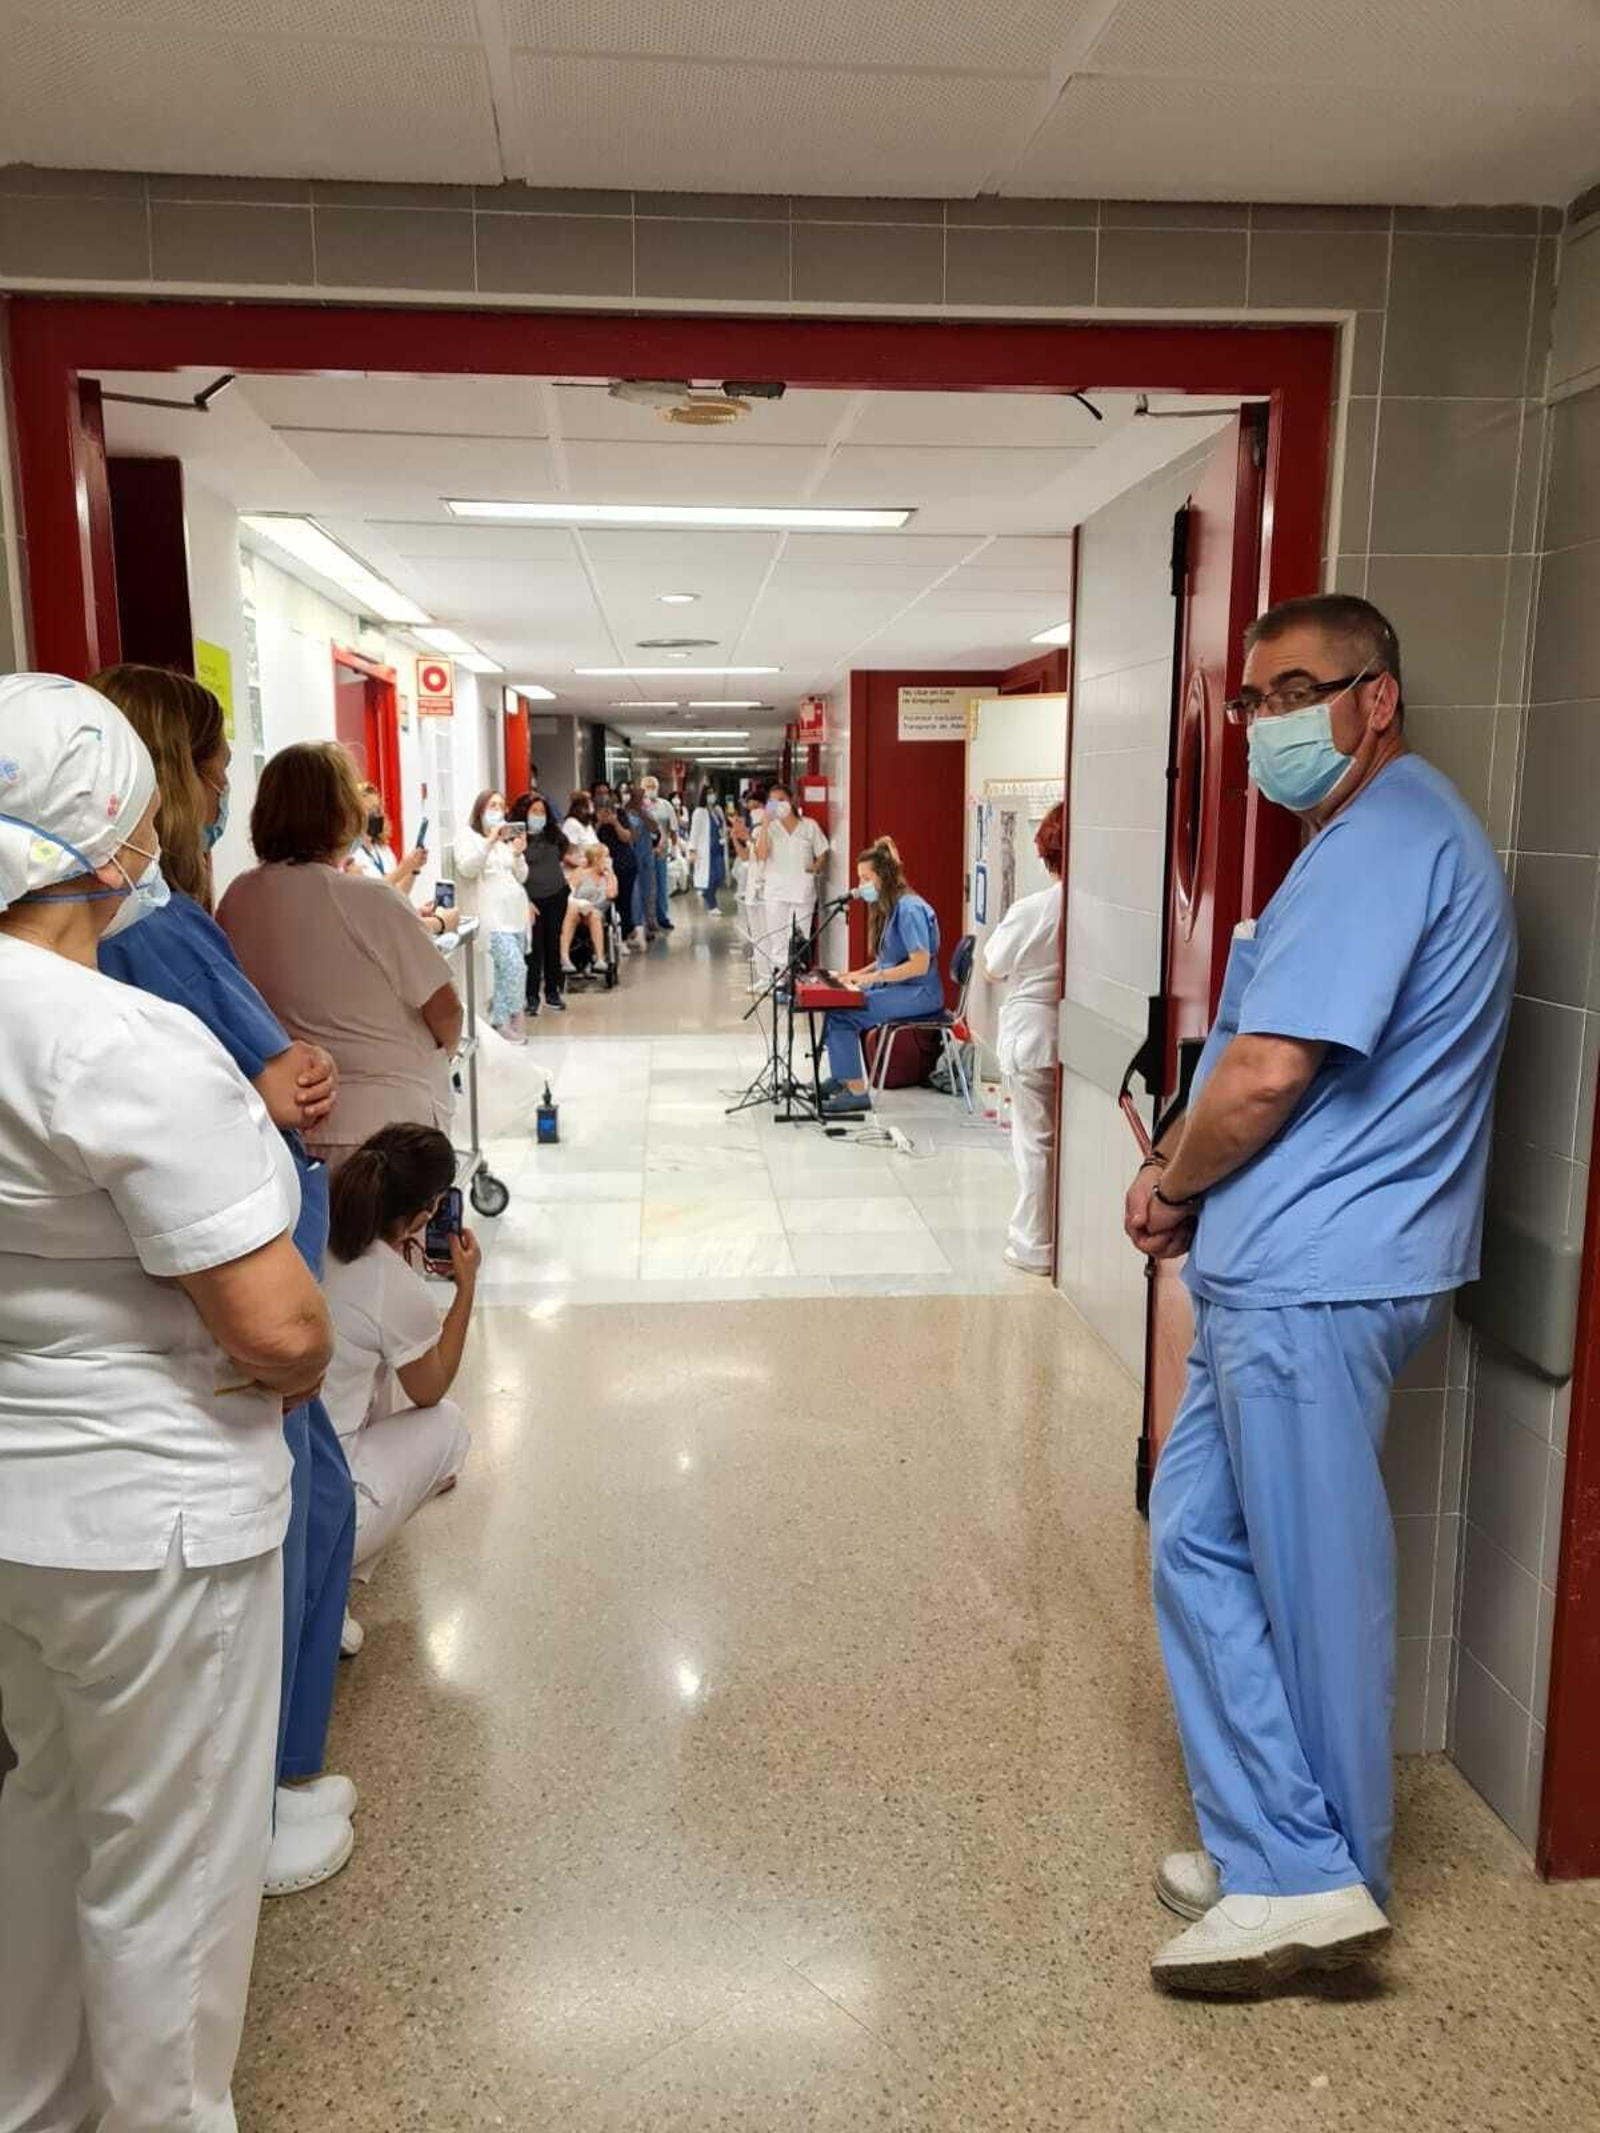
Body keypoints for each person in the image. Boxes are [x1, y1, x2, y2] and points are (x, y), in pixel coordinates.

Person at [1123, 594, 1515, 1995]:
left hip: (1319, 1278)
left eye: (1297, 691)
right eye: (1250, 701)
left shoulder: (1389, 841)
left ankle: (1310, 1876)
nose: (1265, 724)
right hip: (1290, 1274)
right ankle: (1285, 1845)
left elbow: (1272, 1069)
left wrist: (1170, 1179)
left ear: (1378, 697)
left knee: (1307, 1577)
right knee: (1202, 1542)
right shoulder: (1362, 843)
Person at [0, 673, 333, 2131]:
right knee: (172, 1880)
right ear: (119, 842)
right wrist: (308, 1353)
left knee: (48, 1825)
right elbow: (274, 1323)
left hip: (24, 1510)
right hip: (159, 1526)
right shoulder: (115, 1040)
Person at [92, 663, 359, 1898]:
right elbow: (259, 1092)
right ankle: (266, 1796)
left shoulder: (140, 936)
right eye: (209, 764)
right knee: (298, 1507)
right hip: (233, 1298)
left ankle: (264, 1787)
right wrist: (275, 1089)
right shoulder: (155, 937)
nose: (220, 789)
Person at [218, 742, 463, 1170]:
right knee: (389, 1238)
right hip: (389, 1128)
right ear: (341, 813)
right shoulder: (370, 899)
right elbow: (446, 1010)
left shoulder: (238, 896)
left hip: (291, 1122)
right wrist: (443, 1053)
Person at [322, 1125, 475, 1575]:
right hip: (328, 1507)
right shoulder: (391, 1281)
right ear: (424, 1213)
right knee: (449, 1424)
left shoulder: (311, 1230)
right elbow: (430, 1389)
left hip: (278, 1476)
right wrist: (466, 1288)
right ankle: (335, 1581)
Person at [982, 801, 1064, 1276]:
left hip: (1033, 1036)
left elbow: (993, 966)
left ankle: (1034, 1243)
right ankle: (1059, 1234)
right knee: (1058, 1142)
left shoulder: (1034, 909)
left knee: (1034, 1144)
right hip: (1068, 1035)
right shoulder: (1093, 905)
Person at [820, 839, 943, 1117]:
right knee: (836, 1003)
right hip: (901, 988)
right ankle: (843, 1077)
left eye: (866, 878)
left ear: (884, 876)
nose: (860, 885)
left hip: (919, 993)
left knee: (843, 1013)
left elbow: (919, 965)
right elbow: (886, 959)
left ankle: (855, 1092)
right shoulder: (892, 907)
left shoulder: (909, 909)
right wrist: (853, 975)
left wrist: (875, 977)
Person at [454, 788, 530, 1043]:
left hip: (515, 916)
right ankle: (502, 1020)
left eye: (501, 805)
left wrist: (518, 853)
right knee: (513, 966)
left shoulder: (505, 842)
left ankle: (511, 1016)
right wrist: (489, 841)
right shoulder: (468, 836)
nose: (498, 810)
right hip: (492, 918)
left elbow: (521, 876)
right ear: (480, 810)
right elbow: (467, 868)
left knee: (512, 970)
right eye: (492, 806)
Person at [754, 780, 829, 974]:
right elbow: (761, 855)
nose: (778, 805)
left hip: (802, 892)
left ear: (792, 801)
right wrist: (764, 825)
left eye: (782, 800)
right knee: (777, 940)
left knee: (799, 938)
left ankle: (797, 979)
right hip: (776, 892)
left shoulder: (809, 826)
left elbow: (822, 852)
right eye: (773, 802)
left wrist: (814, 868)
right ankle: (780, 979)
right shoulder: (770, 829)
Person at [509, 788, 570, 1014]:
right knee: (533, 949)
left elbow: (562, 854)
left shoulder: (554, 835)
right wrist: (525, 900)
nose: (538, 815)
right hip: (531, 900)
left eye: (542, 811)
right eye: (534, 811)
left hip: (556, 895)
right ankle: (531, 996)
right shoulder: (515, 841)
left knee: (553, 944)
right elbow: (514, 873)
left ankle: (553, 992)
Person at [348, 780, 426, 899]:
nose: (377, 815)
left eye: (379, 809)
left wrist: (413, 869)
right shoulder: (351, 856)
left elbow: (399, 894)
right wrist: (404, 868)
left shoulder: (383, 850)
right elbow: (372, 894)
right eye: (371, 811)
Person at [594, 784, 643, 951]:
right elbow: (590, 840)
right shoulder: (592, 817)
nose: (603, 797)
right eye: (599, 794)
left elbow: (627, 837)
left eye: (606, 794)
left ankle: (624, 936)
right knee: (606, 902)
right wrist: (600, 822)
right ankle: (609, 938)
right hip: (602, 866)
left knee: (624, 902)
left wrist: (615, 823)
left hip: (624, 863)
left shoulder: (620, 814)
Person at [561, 841, 617, 971]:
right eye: (606, 856)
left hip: (598, 914)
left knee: (594, 915)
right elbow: (568, 893)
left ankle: (600, 959)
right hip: (577, 911)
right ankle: (564, 958)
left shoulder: (611, 877)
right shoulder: (580, 873)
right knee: (572, 909)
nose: (609, 860)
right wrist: (582, 904)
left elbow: (611, 894)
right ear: (596, 858)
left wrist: (609, 874)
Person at [731, 792, 768, 986]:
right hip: (754, 890)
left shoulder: (772, 830)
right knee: (759, 937)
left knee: (770, 936)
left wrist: (748, 836)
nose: (754, 812)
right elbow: (746, 856)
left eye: (757, 807)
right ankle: (764, 977)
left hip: (768, 891)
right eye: (750, 808)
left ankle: (772, 977)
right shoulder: (754, 831)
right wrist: (736, 838)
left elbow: (764, 854)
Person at [639, 774, 679, 934]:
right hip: (643, 852)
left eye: (653, 787)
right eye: (647, 787)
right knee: (646, 887)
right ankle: (645, 920)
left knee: (661, 886)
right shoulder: (638, 806)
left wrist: (675, 848)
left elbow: (673, 829)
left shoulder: (666, 805)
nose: (650, 790)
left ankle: (662, 917)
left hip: (661, 852)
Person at [690, 781, 729, 916]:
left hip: (718, 848)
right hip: (706, 850)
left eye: (713, 793)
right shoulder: (699, 812)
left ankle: (706, 893)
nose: (712, 796)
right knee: (710, 878)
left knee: (720, 876)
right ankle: (712, 904)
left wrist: (726, 833)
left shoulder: (717, 810)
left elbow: (722, 826)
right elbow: (694, 832)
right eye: (709, 793)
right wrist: (692, 850)